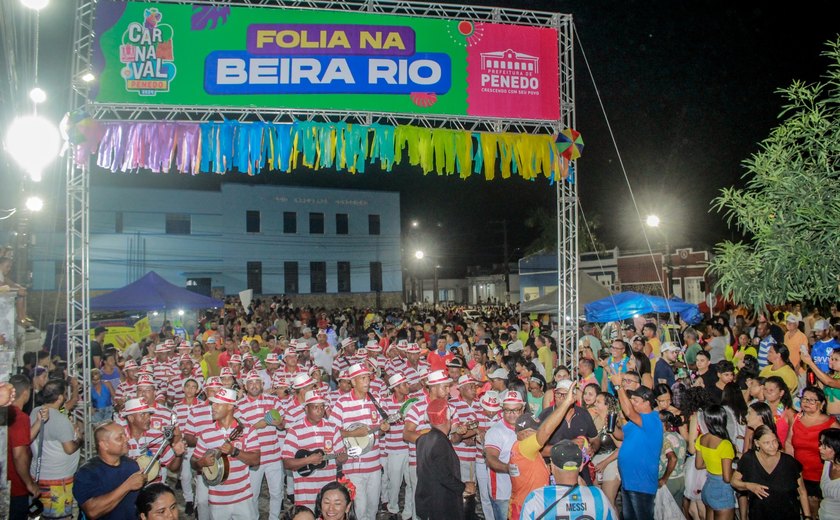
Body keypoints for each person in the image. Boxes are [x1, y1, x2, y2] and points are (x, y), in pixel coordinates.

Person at [508, 382, 577, 518]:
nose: (538, 433)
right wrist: (566, 403)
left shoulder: (527, 452)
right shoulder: (523, 448)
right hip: (525, 510)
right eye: (534, 431)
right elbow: (545, 432)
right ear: (524, 434)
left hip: (529, 506)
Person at [191, 387, 261, 518]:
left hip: (243, 498)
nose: (213, 407)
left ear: (230, 406)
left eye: (218, 404)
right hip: (217, 501)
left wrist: (234, 451)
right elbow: (193, 461)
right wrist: (201, 462)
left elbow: (256, 460)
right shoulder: (206, 433)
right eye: (213, 403)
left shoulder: (248, 430)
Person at [332, 363, 388, 520]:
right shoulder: (342, 402)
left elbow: (382, 429)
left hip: (374, 465)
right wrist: (354, 433)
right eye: (362, 378)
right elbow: (332, 431)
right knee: (360, 508)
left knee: (372, 506)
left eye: (368, 378)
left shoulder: (376, 400)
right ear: (353, 381)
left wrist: (383, 428)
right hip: (352, 466)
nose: (367, 382)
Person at [281, 390, 348, 510]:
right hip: (305, 493)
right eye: (315, 407)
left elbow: (340, 458)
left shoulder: (333, 428)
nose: (320, 410)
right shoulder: (295, 430)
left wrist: (342, 457)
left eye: (322, 406)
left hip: (328, 492)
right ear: (306, 409)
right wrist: (309, 460)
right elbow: (287, 462)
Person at [608, 372, 663, 520]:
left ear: (647, 402)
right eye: (631, 400)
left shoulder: (652, 419)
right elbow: (622, 436)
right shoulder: (636, 422)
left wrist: (619, 386)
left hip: (641, 484)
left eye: (635, 400)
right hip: (629, 482)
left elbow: (628, 411)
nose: (632, 403)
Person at [520, 439, 618, 519]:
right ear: (580, 467)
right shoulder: (598, 495)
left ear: (552, 467)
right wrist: (587, 490)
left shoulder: (536, 498)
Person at [731, 424, 810, 520]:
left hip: (788, 515)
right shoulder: (749, 459)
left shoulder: (789, 462)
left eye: (774, 441)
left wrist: (807, 517)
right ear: (757, 443)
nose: (772, 446)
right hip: (759, 515)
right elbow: (734, 481)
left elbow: (802, 491)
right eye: (766, 443)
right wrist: (749, 486)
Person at [30, 379, 82, 520]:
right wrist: (79, 438)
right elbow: (69, 449)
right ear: (59, 397)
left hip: (38, 477)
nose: (65, 397)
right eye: (64, 394)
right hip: (57, 482)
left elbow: (68, 404)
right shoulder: (60, 420)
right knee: (60, 517)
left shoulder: (36, 412)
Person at [73, 421, 146, 519]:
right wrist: (127, 485)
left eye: (125, 435)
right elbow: (92, 512)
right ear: (104, 445)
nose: (127, 439)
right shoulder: (87, 472)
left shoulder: (131, 465)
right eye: (120, 437)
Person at [786, 385, 839, 514]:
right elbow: (788, 442)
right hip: (800, 475)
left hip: (822, 476)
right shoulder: (796, 419)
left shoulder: (831, 424)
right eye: (804, 399)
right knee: (806, 510)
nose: (806, 402)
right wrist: (791, 467)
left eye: (812, 400)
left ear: (821, 404)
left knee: (820, 510)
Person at [415, 398, 465, 520]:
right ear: (448, 417)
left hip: (426, 503)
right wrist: (464, 488)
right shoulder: (440, 442)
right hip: (440, 507)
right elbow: (444, 476)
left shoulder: (422, 439)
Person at [485, 390, 527, 520]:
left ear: (523, 408)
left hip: (523, 491)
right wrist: (509, 468)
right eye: (507, 410)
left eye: (516, 410)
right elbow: (491, 458)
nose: (511, 415)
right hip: (503, 493)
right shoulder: (495, 431)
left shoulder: (528, 428)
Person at [6, 375, 40, 520]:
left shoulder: (6, 413)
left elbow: (22, 440)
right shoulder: (19, 417)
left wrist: (39, 422)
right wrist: (29, 483)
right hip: (15, 485)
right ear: (26, 392)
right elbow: (19, 454)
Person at [694, 404, 736, 520]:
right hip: (721, 490)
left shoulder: (701, 438)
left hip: (708, 487)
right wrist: (736, 471)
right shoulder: (725, 444)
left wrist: (713, 463)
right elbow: (727, 477)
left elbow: (698, 465)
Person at [801, 345, 840, 419]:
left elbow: (828, 382)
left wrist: (810, 362)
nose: (830, 361)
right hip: (827, 415)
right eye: (831, 358)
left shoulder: (829, 379)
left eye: (836, 359)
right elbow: (817, 388)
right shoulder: (829, 375)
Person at [819, 428, 840, 519]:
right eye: (820, 444)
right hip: (823, 514)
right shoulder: (828, 462)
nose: (819, 448)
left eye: (825, 446)